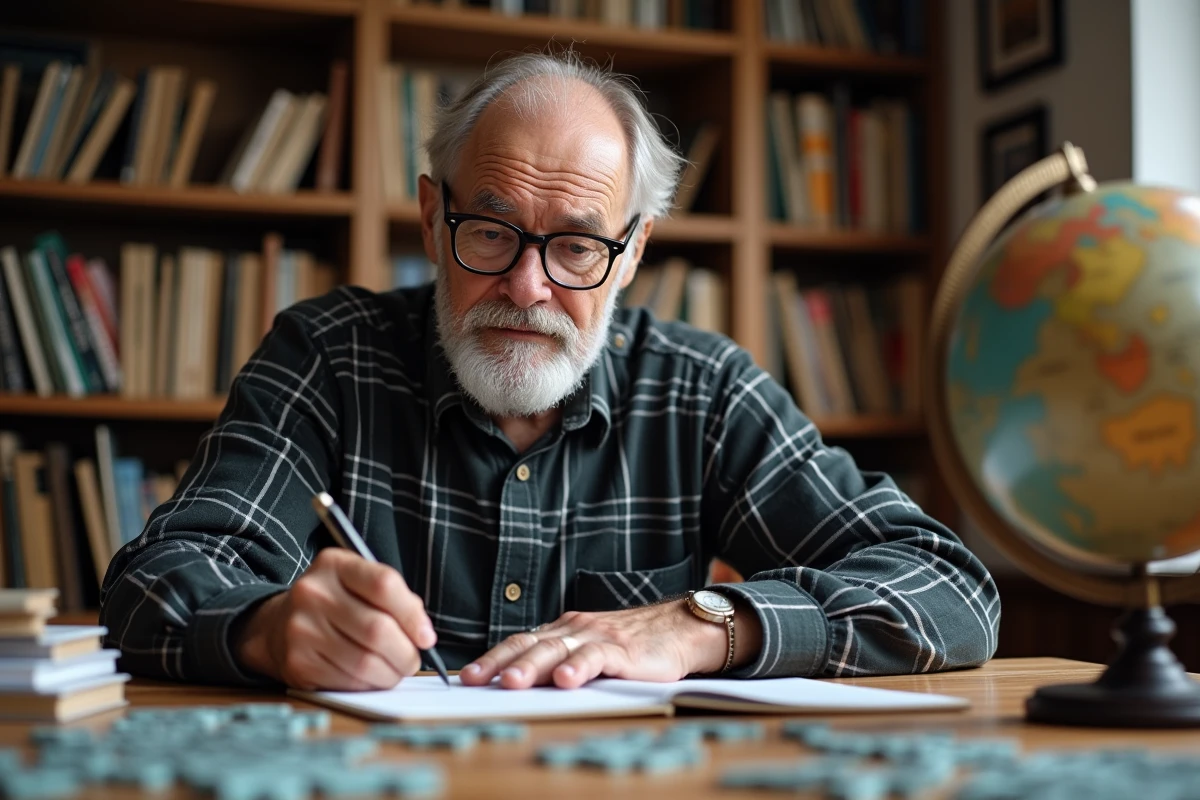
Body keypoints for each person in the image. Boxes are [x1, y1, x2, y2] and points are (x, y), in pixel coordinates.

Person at [99, 50, 1000, 692]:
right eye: (492, 232)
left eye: (576, 246)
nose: (527, 287)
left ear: (632, 251)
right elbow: (155, 579)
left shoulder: (704, 390)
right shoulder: (328, 357)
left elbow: (948, 586)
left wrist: (703, 625)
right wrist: (264, 630)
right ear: (432, 218)